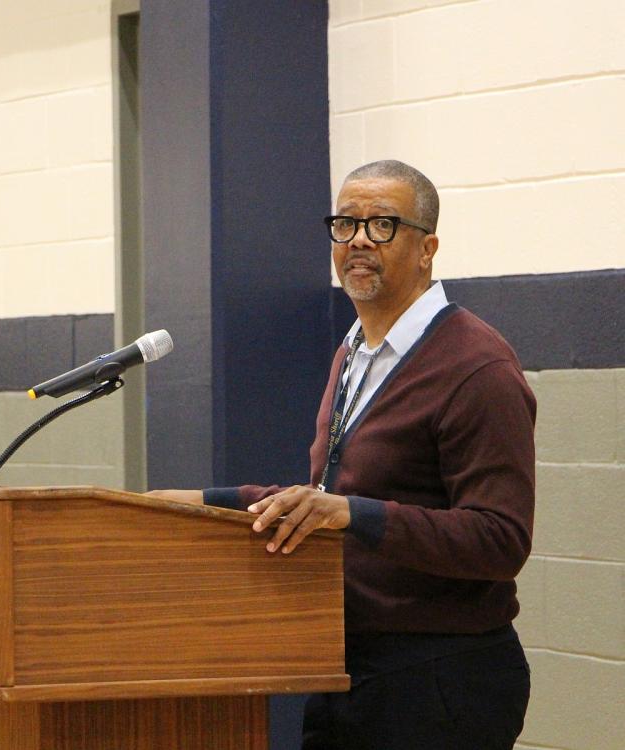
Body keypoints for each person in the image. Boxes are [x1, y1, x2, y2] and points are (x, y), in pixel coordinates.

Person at [150, 160, 535, 749]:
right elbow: (327, 502)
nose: (358, 239)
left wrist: (356, 515)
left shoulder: (476, 366)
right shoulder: (354, 352)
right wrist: (200, 503)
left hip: (440, 678)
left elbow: (500, 538)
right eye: (345, 223)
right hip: (346, 664)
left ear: (427, 247)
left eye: (382, 225)